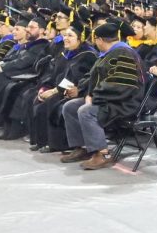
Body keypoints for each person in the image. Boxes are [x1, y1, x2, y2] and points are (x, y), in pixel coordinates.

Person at [59, 19, 145, 170]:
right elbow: (92, 77)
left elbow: (121, 84)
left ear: (99, 40)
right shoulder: (107, 54)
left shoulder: (124, 53)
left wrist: (93, 97)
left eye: (95, 40)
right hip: (107, 99)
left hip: (123, 102)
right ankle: (83, 148)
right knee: (70, 107)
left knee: (86, 111)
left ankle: (103, 154)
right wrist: (83, 91)